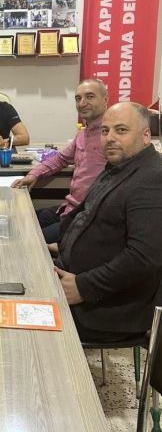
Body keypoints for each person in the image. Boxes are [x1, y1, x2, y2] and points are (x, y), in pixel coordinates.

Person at [53, 102, 162, 342]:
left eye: (121, 130)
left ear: (146, 136)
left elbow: (144, 257)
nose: (110, 138)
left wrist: (83, 287)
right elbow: (87, 217)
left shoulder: (152, 178)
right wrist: (60, 246)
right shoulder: (118, 166)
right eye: (105, 131)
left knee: (20, 328)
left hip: (103, 308)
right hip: (73, 277)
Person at [12, 79, 108, 242]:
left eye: (90, 96)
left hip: (88, 218)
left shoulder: (110, 137)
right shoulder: (82, 134)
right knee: (19, 222)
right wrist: (34, 174)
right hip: (70, 209)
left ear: (105, 99)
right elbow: (61, 158)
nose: (82, 103)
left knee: (29, 240)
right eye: (78, 98)